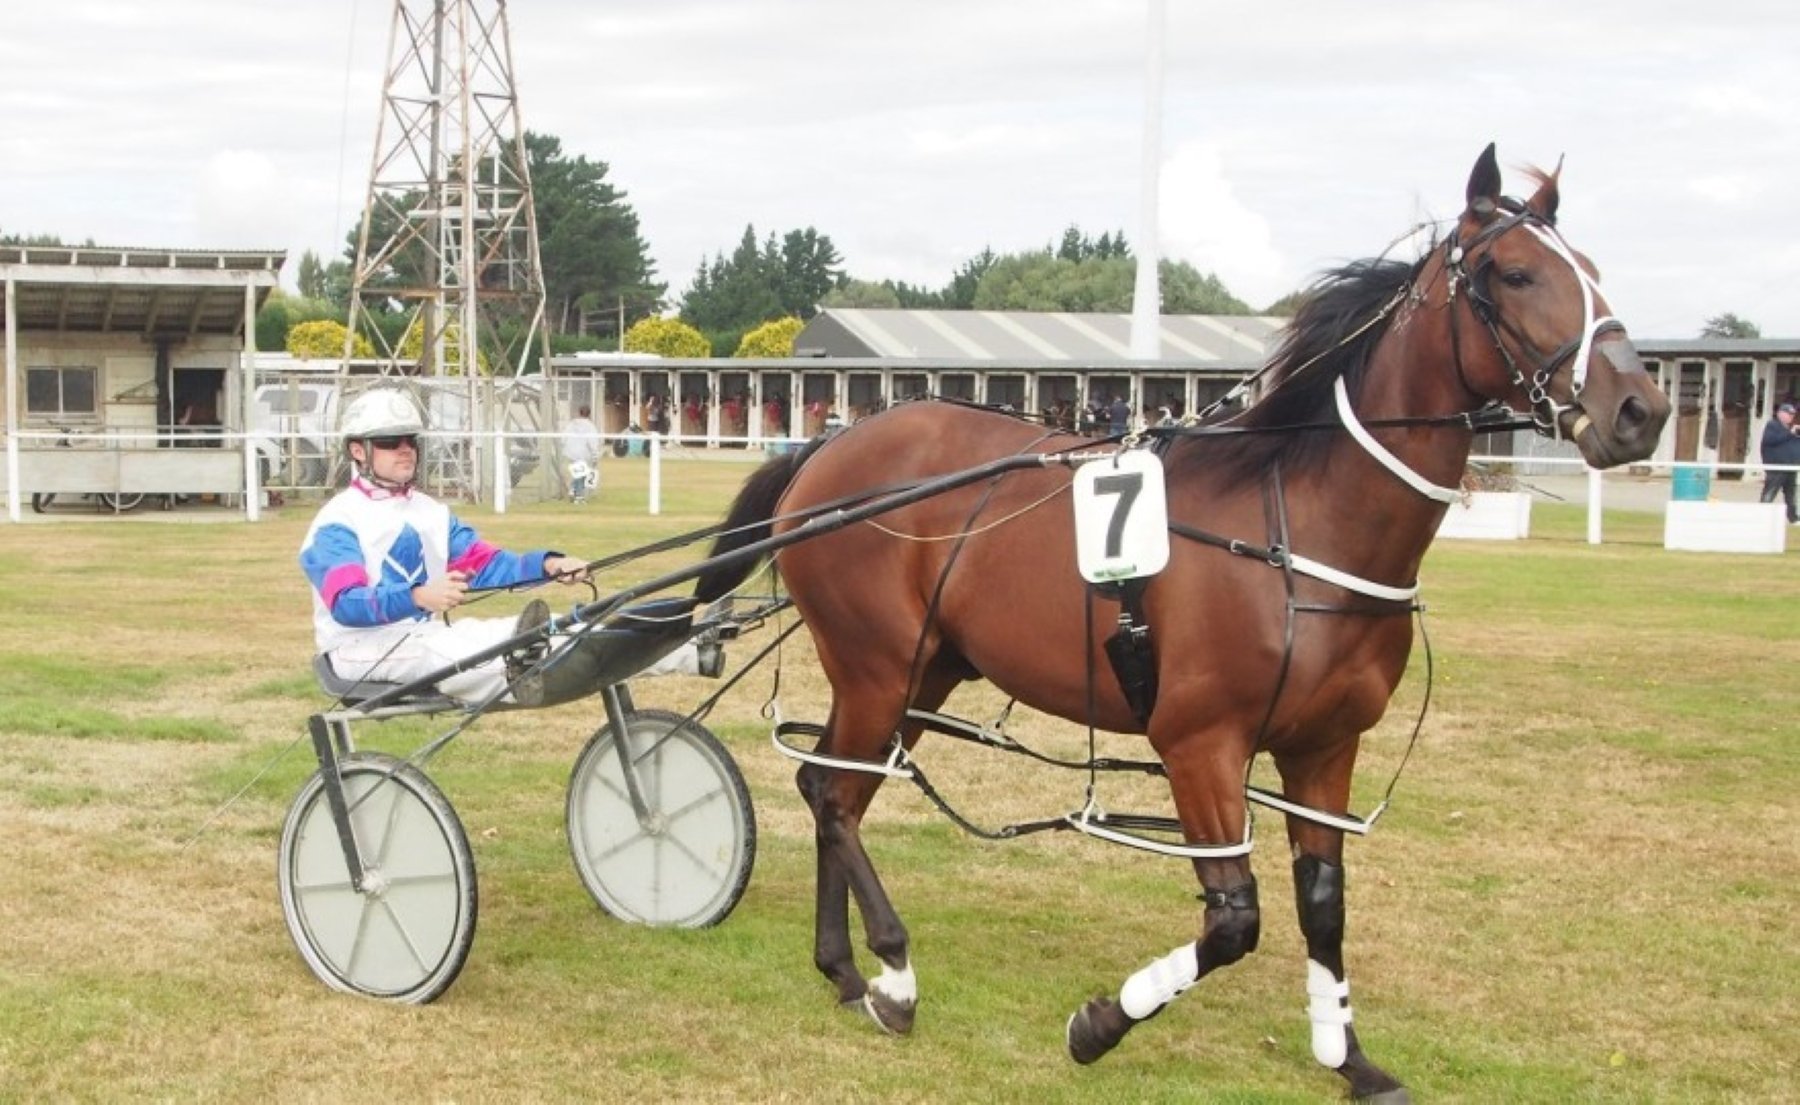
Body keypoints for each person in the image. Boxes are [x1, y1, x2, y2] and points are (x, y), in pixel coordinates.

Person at [300, 388, 706, 707]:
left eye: (410, 439)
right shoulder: (338, 521)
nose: (405, 448)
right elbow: (347, 603)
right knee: (487, 647)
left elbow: (489, 565)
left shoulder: (432, 513)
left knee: (558, 626)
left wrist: (548, 565)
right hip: (357, 650)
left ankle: (692, 646)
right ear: (358, 450)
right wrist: (419, 597)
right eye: (390, 441)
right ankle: (523, 672)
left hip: (422, 639)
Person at [1758, 400, 1800, 524]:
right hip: (1777, 467)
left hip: (1790, 467)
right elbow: (1769, 441)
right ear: (1780, 413)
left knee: (1791, 495)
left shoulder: (1791, 429)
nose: (1791, 417)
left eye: (1793, 414)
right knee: (1770, 492)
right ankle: (1761, 516)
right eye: (1789, 414)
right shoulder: (1773, 425)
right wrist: (1790, 433)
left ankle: (1793, 518)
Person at [560, 404, 602, 503]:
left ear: (579, 412)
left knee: (579, 473)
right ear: (589, 414)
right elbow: (593, 441)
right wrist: (595, 454)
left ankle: (573, 490)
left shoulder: (572, 424)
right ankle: (578, 496)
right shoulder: (590, 426)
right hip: (582, 453)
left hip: (570, 452)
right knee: (581, 474)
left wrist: (564, 447)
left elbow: (563, 438)